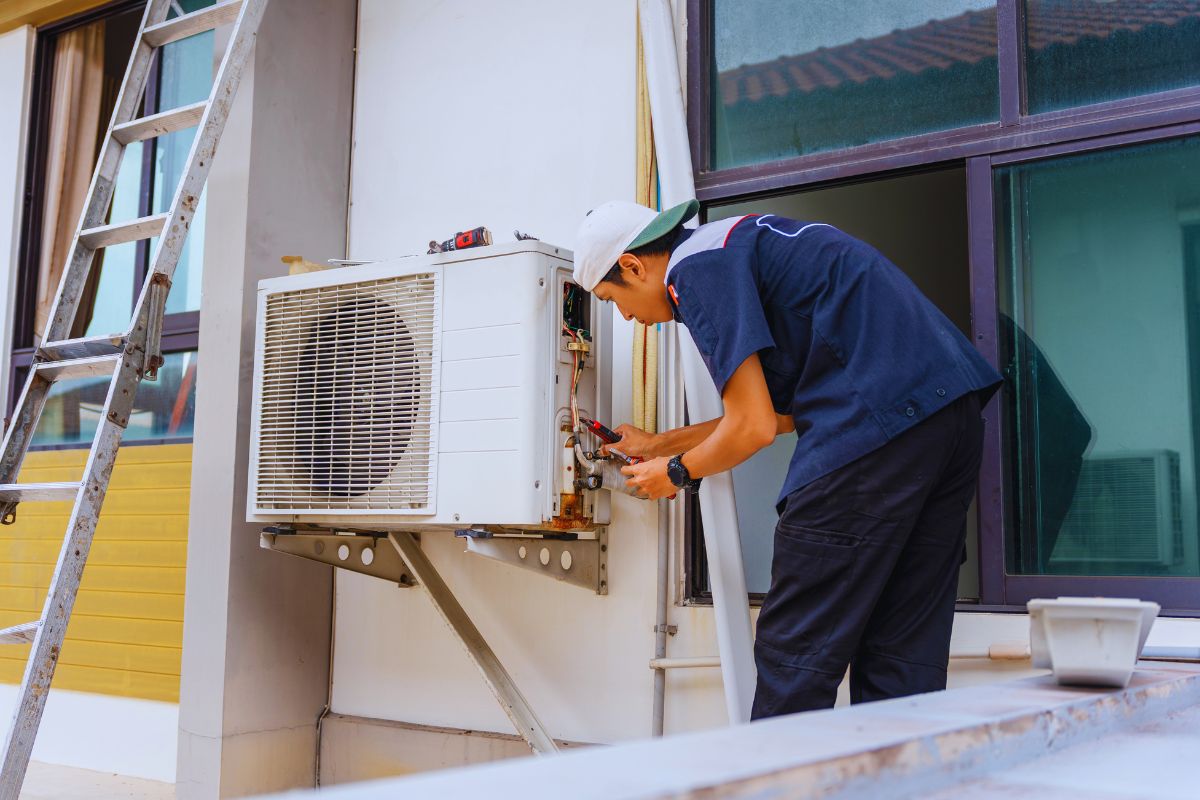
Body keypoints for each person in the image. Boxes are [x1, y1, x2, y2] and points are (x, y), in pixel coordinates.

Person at [573, 199, 1002, 717]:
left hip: (872, 432)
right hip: (947, 418)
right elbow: (775, 415)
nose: (628, 318)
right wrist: (658, 445)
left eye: (613, 299)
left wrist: (676, 473)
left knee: (794, 658)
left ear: (634, 266)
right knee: (901, 653)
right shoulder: (741, 242)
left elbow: (751, 428)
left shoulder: (695, 268)